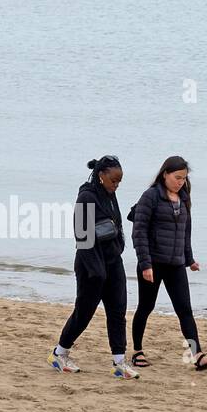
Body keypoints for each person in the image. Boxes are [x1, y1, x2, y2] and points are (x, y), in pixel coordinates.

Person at [49, 156, 140, 380]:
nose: (116, 185)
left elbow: (116, 224)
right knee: (84, 312)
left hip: (112, 262)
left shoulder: (111, 194)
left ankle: (119, 362)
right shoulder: (87, 197)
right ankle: (59, 354)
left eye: (119, 182)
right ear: (101, 176)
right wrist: (96, 270)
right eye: (113, 181)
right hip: (91, 265)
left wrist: (118, 247)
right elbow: (82, 236)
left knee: (118, 312)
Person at [130, 155, 207, 370]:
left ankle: (197, 354)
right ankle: (137, 351)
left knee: (185, 310)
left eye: (184, 178)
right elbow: (139, 232)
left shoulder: (183, 198)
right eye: (177, 177)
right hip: (153, 263)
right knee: (146, 307)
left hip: (175, 264)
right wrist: (145, 264)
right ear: (165, 174)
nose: (180, 182)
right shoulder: (151, 196)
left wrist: (189, 260)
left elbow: (185, 233)